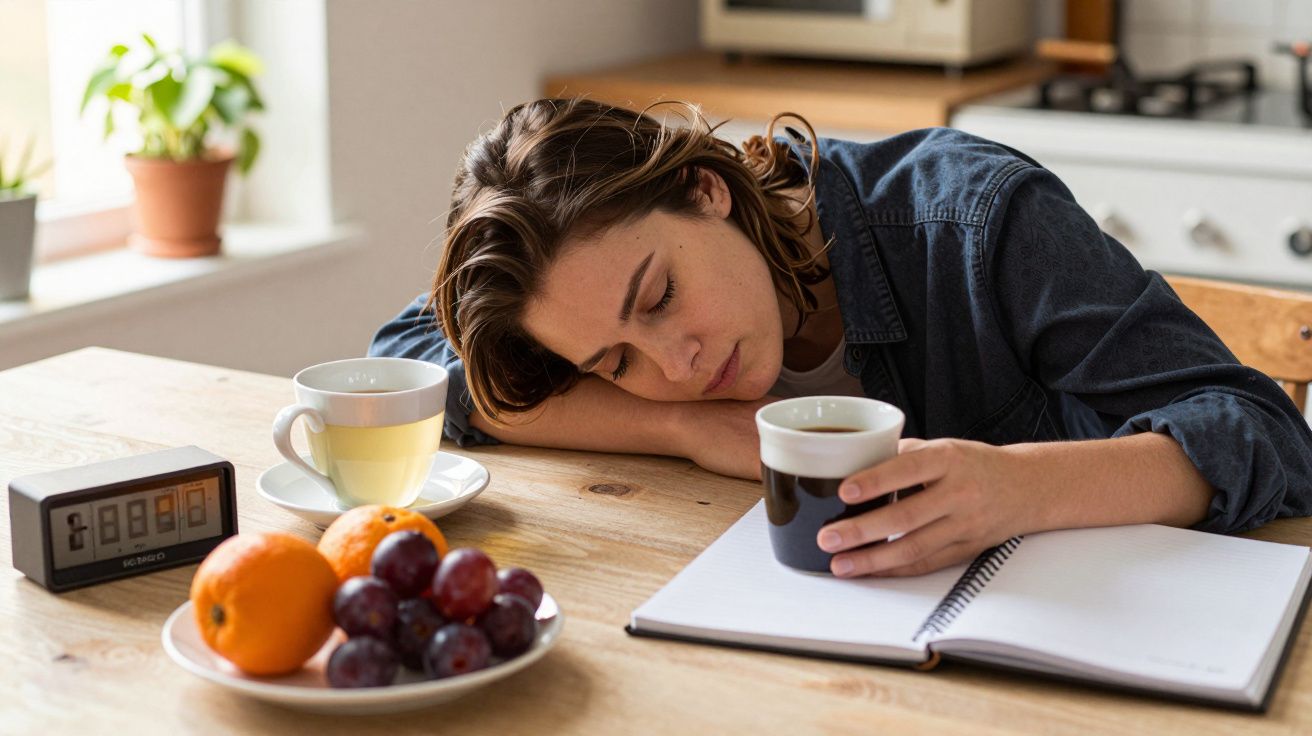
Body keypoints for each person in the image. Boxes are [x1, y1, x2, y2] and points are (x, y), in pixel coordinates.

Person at [371, 97, 1312, 578]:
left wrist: (1015, 486)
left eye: (658, 298)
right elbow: (404, 364)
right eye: (614, 363)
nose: (678, 367)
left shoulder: (975, 219)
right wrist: (683, 432)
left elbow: (1263, 431)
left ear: (706, 189)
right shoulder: (641, 360)